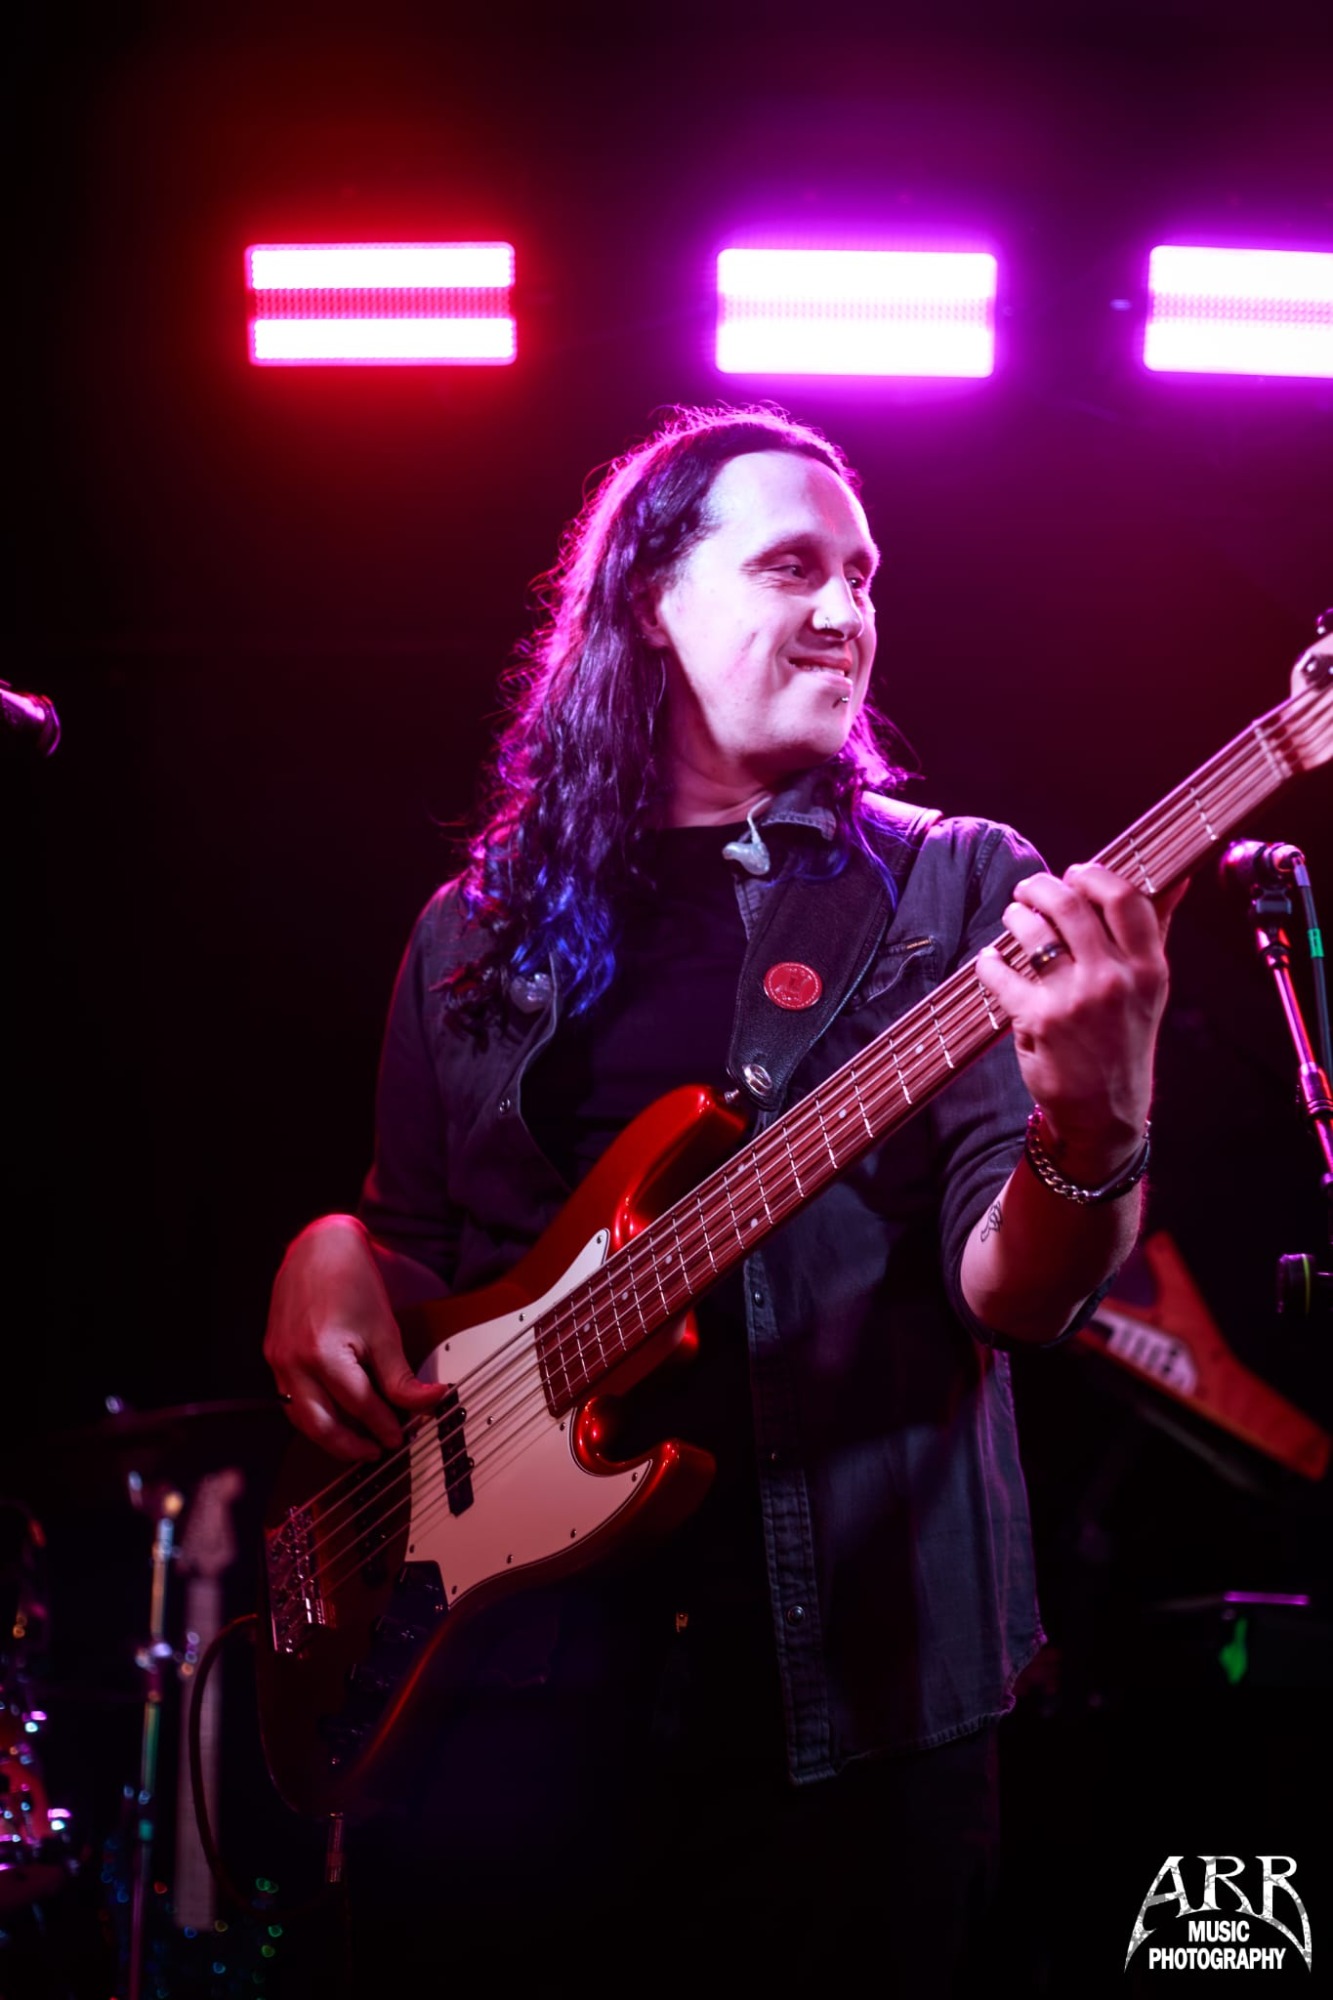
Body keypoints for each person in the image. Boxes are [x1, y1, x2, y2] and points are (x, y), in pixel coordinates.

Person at [263, 404, 1174, 1992]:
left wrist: (1095, 1117)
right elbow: (419, 1250)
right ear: (648, 601)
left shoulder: (955, 886)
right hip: (497, 1716)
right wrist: (331, 1249)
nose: (844, 610)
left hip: (843, 1722)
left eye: (862, 577)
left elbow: (1012, 1294)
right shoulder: (471, 932)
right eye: (789, 568)